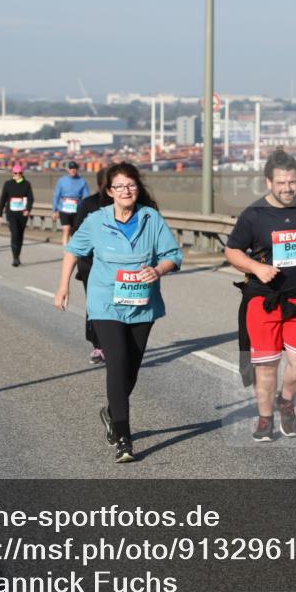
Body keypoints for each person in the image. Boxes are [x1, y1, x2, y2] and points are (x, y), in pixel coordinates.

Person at [54, 162, 182, 463]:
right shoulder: (96, 221)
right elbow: (73, 250)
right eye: (120, 186)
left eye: (131, 185)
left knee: (131, 369)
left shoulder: (151, 219)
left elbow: (173, 255)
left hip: (142, 304)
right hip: (105, 303)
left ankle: (111, 412)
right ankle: (124, 437)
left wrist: (158, 269)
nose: (126, 191)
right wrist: (63, 287)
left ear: (138, 188)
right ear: (109, 191)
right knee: (117, 362)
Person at [224, 149, 296, 442]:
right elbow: (231, 250)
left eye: (292, 182)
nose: (287, 188)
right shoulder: (253, 215)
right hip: (263, 299)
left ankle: (286, 400)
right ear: (268, 182)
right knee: (267, 365)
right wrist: (256, 268)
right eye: (281, 183)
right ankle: (265, 418)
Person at [70, 167, 108, 365]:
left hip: (115, 265)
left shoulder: (126, 205)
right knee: (94, 304)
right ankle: (98, 345)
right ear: (101, 184)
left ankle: (113, 344)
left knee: (115, 304)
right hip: (90, 264)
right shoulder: (88, 204)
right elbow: (76, 235)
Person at [0, 164, 34, 266]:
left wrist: (28, 209)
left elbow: (31, 198)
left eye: (19, 173)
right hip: (11, 214)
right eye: (15, 173)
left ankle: (18, 255)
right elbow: (3, 199)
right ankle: (15, 258)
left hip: (22, 214)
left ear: (22, 173)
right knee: (15, 234)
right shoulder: (8, 184)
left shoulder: (26, 184)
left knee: (20, 236)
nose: (17, 175)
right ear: (12, 173)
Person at [53, 160, 90, 247]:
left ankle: (73, 250)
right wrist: (55, 210)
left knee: (75, 232)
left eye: (74, 168)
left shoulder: (82, 181)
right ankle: (66, 251)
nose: (73, 170)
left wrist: (86, 210)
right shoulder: (61, 181)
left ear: (77, 169)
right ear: (67, 170)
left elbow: (86, 197)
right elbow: (56, 195)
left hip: (77, 209)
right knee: (66, 229)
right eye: (71, 168)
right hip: (64, 208)